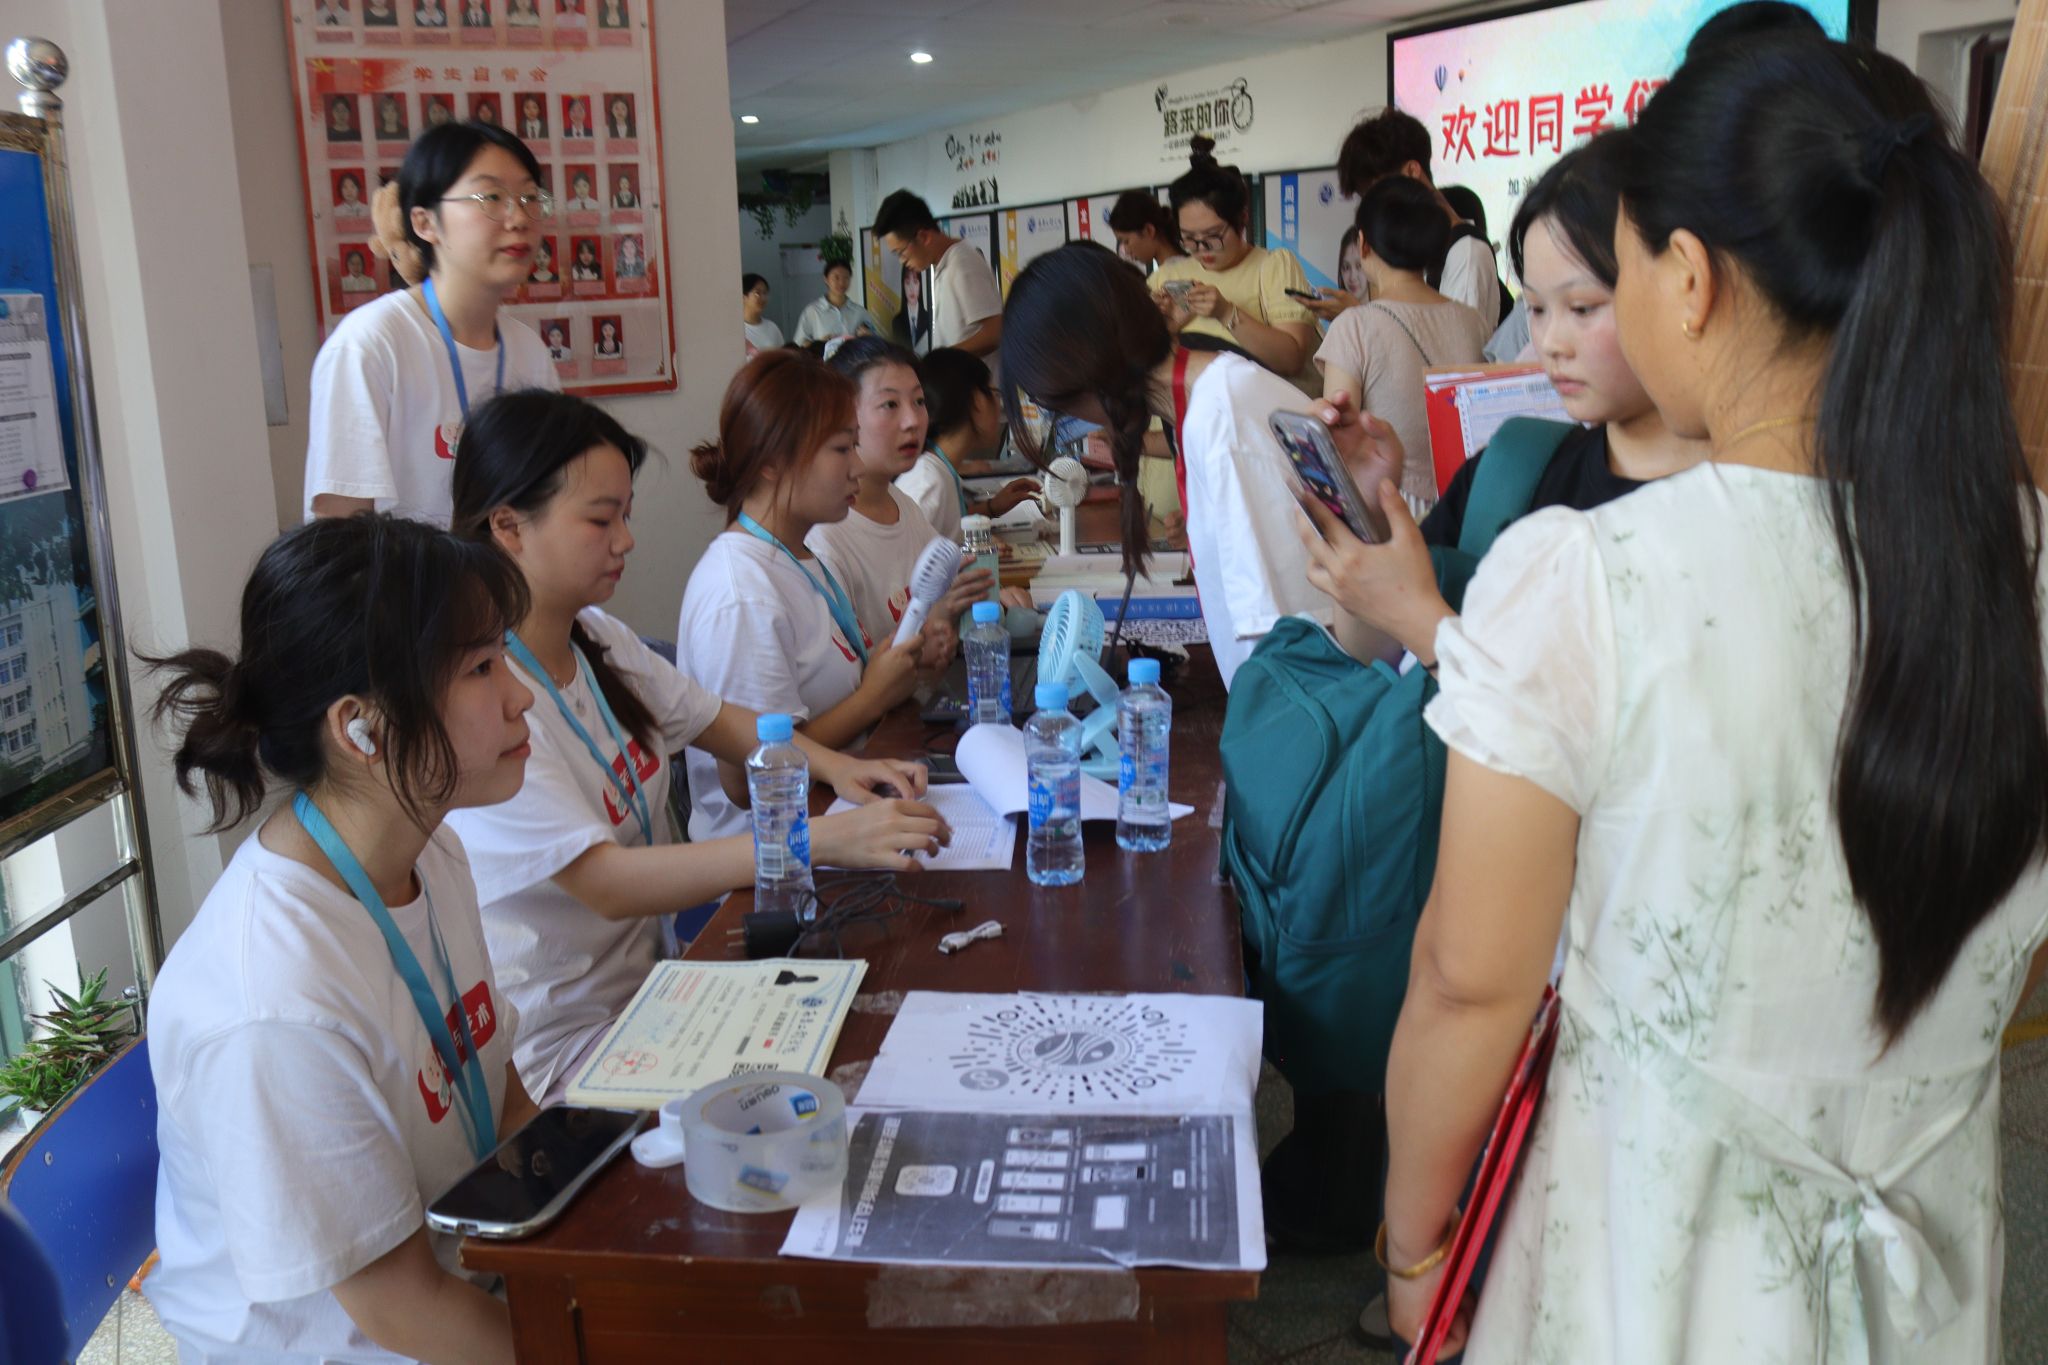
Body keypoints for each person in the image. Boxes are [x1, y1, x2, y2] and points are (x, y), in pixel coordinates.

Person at [1377, 38, 2048, 1362]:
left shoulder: (1588, 577)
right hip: (1929, 1248)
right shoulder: (2027, 561)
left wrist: (1414, 1242)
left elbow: (1466, 982)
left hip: (1651, 1252)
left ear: (1688, 280)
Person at [446, 391, 943, 1101]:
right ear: (507, 526)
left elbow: (721, 721)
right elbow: (607, 883)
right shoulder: (489, 697)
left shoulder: (596, 639)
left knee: (870, 1029)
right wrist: (815, 840)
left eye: (626, 515)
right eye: (601, 519)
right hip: (565, 1049)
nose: (626, 540)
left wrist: (845, 771)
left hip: (660, 997)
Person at [144, 513, 536, 1364]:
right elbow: (405, 1309)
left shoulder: (431, 850)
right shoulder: (273, 1001)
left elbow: (504, 1099)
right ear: (361, 727)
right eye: (481, 668)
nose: (521, 695)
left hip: (467, 1281)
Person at [1004, 242, 1327, 688]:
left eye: (1053, 404)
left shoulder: (1222, 418)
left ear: (1083, 373)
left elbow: (1278, 641)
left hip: (1307, 702)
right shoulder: (1206, 406)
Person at [678, 351, 940, 840]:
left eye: (855, 445)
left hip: (836, 817)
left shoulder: (797, 556)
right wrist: (871, 698)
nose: (857, 467)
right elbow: (748, 781)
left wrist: (891, 666)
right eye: (842, 448)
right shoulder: (742, 593)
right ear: (773, 462)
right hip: (774, 857)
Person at [307, 122, 560, 527]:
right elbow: (338, 535)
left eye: (530, 197)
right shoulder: (370, 345)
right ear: (425, 223)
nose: (518, 218)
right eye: (492, 197)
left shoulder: (528, 350)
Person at [807, 339, 997, 657]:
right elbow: (857, 677)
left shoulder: (902, 504)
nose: (913, 421)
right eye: (890, 405)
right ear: (843, 417)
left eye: (919, 401)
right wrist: (936, 619)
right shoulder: (824, 538)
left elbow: (948, 585)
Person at [1313, 176, 1490, 512]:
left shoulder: (1354, 326)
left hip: (1387, 505)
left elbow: (1337, 446)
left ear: (1363, 243)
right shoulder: (1472, 321)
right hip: (1464, 503)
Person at [1149, 136, 1321, 395]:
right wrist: (1167, 328)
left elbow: (1291, 360)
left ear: (1243, 219)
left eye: (1213, 235)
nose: (1202, 248)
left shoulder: (1273, 267)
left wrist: (1226, 313)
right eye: (1189, 238)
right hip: (1192, 416)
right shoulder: (1165, 277)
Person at [1338, 108, 1508, 325]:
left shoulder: (1465, 253)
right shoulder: (1418, 254)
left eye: (1377, 193)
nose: (1374, 210)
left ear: (1412, 171)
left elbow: (1458, 341)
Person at [903, 347, 1040, 542]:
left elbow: (949, 525)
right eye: (995, 394)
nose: (999, 406)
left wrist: (992, 507)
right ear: (978, 401)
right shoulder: (929, 483)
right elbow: (908, 554)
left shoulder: (941, 470)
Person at [874, 189, 1001, 359]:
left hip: (976, 377)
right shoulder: (945, 264)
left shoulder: (963, 264)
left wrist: (941, 359)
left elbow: (995, 332)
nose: (901, 261)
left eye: (900, 252)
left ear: (924, 237)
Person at [793, 260, 881, 345]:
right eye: (836, 277)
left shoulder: (860, 312)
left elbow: (875, 342)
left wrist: (868, 336)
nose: (841, 283)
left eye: (846, 278)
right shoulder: (813, 311)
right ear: (826, 279)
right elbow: (799, 343)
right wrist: (819, 344)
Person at [1106, 189, 1185, 271]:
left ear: (1149, 230)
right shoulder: (1188, 264)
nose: (1126, 251)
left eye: (1126, 241)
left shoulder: (1170, 275)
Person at [892, 265, 931, 353]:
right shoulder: (897, 322)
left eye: (915, 282)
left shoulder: (929, 318)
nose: (911, 288)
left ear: (920, 285)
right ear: (903, 286)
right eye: (907, 283)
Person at [742, 273, 784, 352]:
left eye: (765, 293)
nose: (763, 298)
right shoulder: (735, 330)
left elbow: (782, 356)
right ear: (744, 297)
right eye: (757, 293)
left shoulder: (772, 327)